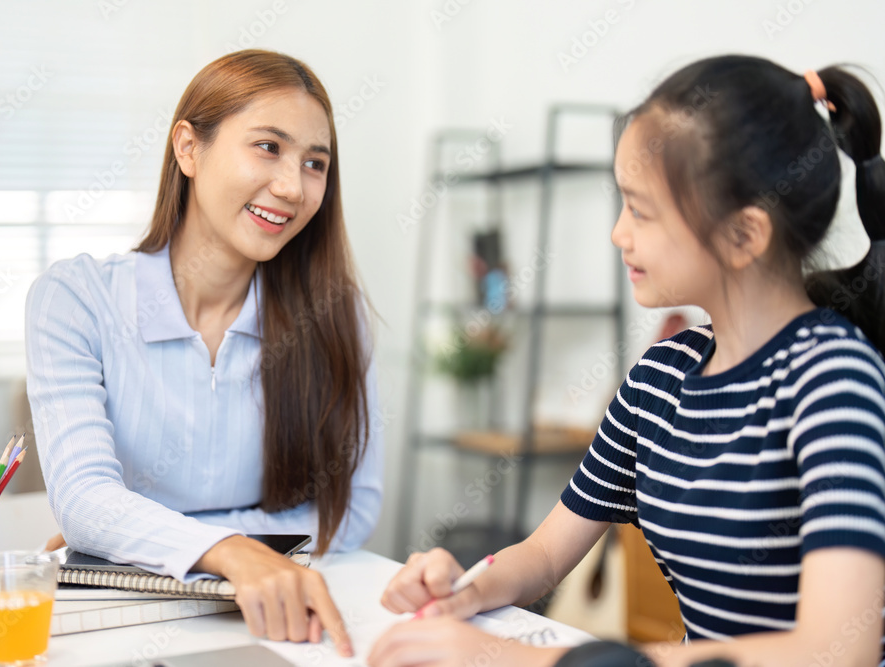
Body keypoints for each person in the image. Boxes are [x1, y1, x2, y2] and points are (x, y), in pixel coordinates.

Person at [369, 55, 885, 667]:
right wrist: (464, 591)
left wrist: (511, 657)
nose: (619, 233)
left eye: (640, 210)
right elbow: (544, 557)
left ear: (744, 235)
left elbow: (837, 651)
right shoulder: (661, 376)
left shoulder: (832, 379)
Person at [25, 49, 383, 656]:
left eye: (314, 163)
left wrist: (143, 538)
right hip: (124, 626)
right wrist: (230, 552)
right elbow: (84, 500)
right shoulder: (75, 299)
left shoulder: (334, 314)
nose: (292, 187)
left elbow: (350, 512)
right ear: (188, 149)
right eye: (268, 147)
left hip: (276, 619)